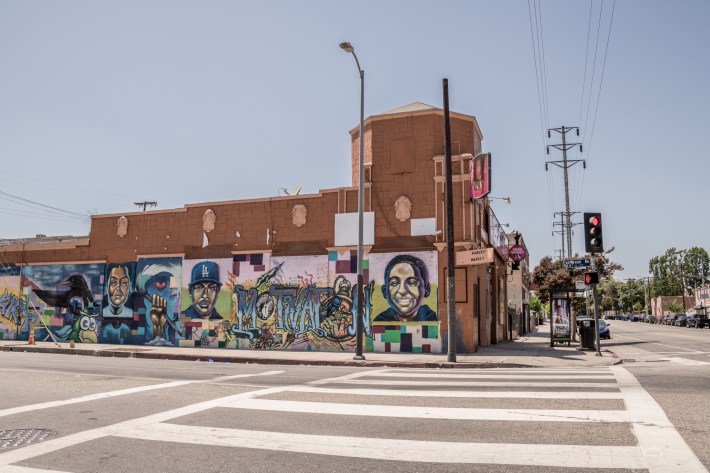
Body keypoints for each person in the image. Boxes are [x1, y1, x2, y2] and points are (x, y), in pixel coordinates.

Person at [374, 255, 437, 322]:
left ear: (427, 289)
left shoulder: (431, 319)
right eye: (394, 283)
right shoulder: (380, 321)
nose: (402, 290)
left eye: (412, 282)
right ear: (384, 291)